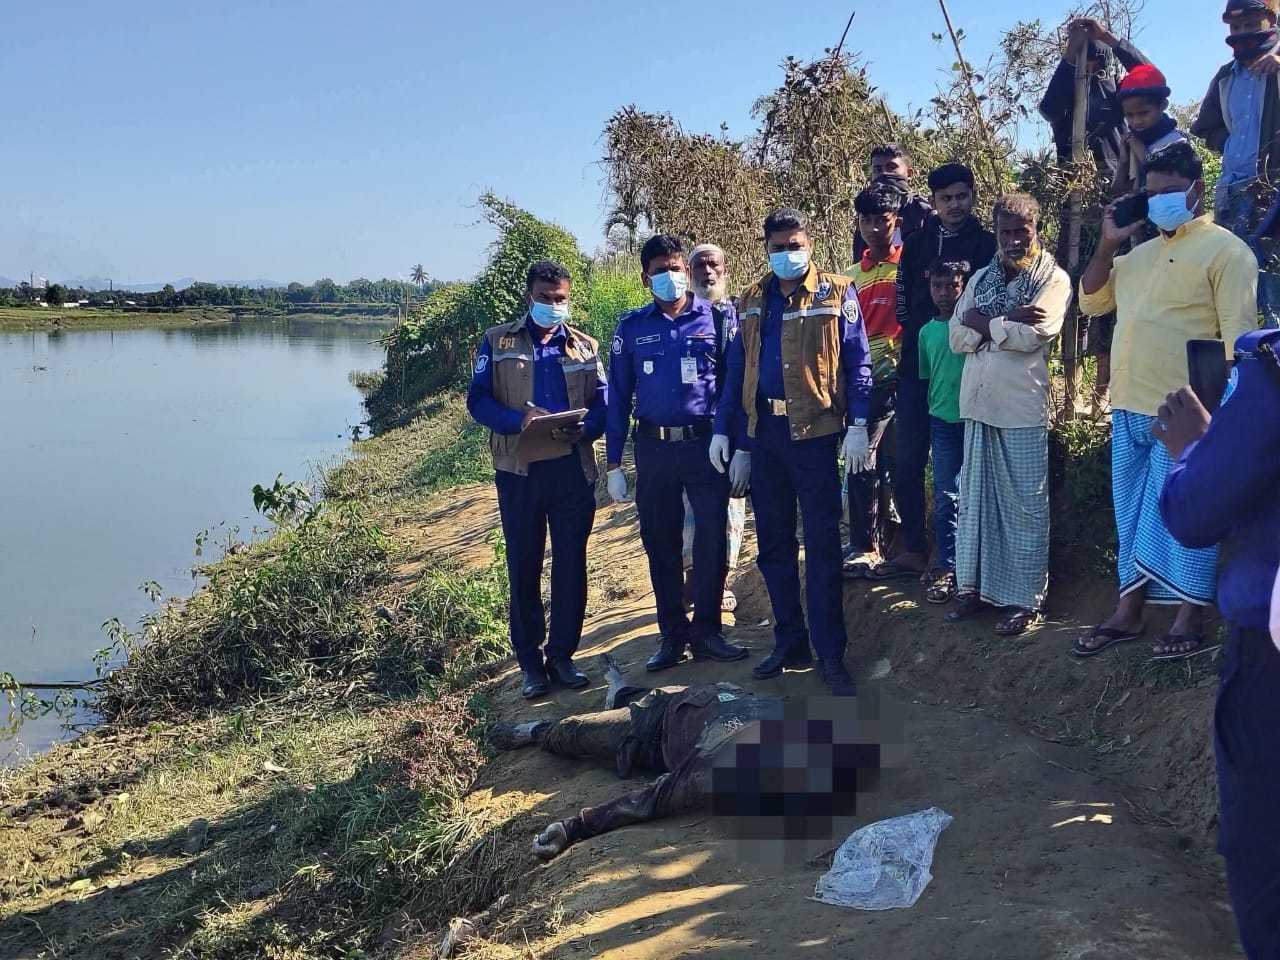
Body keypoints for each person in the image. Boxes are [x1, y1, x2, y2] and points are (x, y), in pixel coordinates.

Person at [1075, 142, 1259, 659]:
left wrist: (1219, 419)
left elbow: (1239, 345)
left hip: (1185, 411)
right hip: (1127, 405)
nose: (1160, 203)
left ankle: (1188, 617)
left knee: (1185, 510)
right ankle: (1128, 612)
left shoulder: (1227, 252)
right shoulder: (1135, 256)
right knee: (1131, 514)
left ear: (1198, 189)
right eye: (1151, 194)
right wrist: (1107, 245)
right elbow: (1091, 300)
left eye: (1171, 192)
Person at [1152, 330, 1280, 960]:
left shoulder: (1272, 371)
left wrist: (1193, 450)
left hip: (1271, 671)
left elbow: (1197, 510)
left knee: (1268, 869)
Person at [492, 656, 875, 862]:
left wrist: (574, 826)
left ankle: (538, 730)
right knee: (607, 714)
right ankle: (607, 696)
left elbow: (652, 799)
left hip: (652, 733)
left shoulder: (717, 770)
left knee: (577, 732)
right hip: (693, 696)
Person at [713, 207, 872, 696]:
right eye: (778, 247)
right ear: (766, 248)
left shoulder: (838, 293)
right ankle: (789, 641)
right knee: (774, 545)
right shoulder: (751, 299)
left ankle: (830, 652)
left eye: (795, 245)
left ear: (810, 244)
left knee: (822, 546)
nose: (787, 254)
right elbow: (737, 371)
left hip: (816, 435)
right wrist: (732, 437)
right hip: (765, 436)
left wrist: (858, 424)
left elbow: (859, 362)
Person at [606, 235, 749, 673]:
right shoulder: (631, 327)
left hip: (706, 446)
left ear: (685, 271)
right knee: (660, 541)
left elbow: (734, 386)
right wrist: (613, 463)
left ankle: (707, 632)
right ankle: (672, 636)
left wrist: (733, 440)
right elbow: (618, 397)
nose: (669, 276)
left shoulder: (719, 319)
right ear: (644, 277)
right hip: (653, 449)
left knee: (711, 538)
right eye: (659, 271)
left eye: (674, 267)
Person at [466, 261, 608, 699]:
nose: (553, 305)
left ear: (569, 297)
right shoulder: (498, 341)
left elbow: (605, 404)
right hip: (520, 471)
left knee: (571, 563)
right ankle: (530, 664)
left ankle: (562, 656)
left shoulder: (585, 346)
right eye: (545, 298)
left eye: (560, 298)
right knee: (524, 564)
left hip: (572, 468)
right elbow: (478, 400)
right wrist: (518, 421)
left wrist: (585, 429)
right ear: (529, 296)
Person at [946, 194, 1071, 636]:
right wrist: (1004, 320)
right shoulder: (982, 277)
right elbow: (955, 336)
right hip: (978, 404)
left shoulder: (1052, 279)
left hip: (1020, 407)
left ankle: (1024, 601)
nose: (1014, 239)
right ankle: (974, 591)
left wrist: (984, 323)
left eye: (1022, 231)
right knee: (976, 502)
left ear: (1037, 230)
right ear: (996, 233)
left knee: (1024, 508)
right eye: (1006, 232)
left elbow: (1035, 333)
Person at [881, 164, 997, 581]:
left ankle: (964, 559)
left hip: (969, 372)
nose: (955, 205)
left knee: (964, 472)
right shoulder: (917, 244)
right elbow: (902, 301)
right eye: (946, 198)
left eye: (962, 196)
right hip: (917, 371)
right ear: (933, 201)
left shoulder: (987, 244)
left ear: (973, 197)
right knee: (907, 463)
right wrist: (922, 335)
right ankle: (916, 548)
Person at [1192, 0, 1280, 329]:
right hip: (1232, 195)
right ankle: (1238, 359)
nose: (1242, 33)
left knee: (1272, 291)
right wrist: (1230, 145)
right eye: (1235, 27)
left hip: (1273, 195)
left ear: (1271, 20)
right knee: (1232, 291)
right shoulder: (1226, 76)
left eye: (1252, 24)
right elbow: (1205, 127)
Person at [681, 243, 747, 614]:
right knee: (688, 508)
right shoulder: (680, 315)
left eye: (714, 265)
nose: (707, 272)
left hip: (733, 426)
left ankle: (720, 581)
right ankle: (692, 579)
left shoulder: (740, 313)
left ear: (725, 270)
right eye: (700, 265)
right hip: (693, 428)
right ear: (688, 272)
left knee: (730, 506)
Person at [843, 182, 904, 576]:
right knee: (861, 462)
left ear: (896, 221)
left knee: (902, 465)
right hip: (868, 385)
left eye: (882, 219)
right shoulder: (849, 278)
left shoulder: (911, 266)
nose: (874, 228)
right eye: (866, 220)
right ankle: (864, 544)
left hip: (909, 380)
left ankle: (899, 544)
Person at [915, 259, 972, 604]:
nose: (945, 293)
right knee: (947, 494)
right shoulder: (926, 332)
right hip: (941, 420)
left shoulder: (973, 327)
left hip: (975, 420)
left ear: (964, 287)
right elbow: (929, 378)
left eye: (952, 285)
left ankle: (974, 568)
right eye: (938, 286)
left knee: (976, 494)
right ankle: (947, 566)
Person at [1038, 16, 1153, 181]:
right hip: (1074, 185)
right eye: (1084, 68)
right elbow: (1050, 110)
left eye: (1098, 68)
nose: (1091, 73)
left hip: (1120, 183)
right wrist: (1071, 52)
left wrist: (1106, 37)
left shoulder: (1119, 91)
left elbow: (1151, 78)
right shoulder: (1064, 93)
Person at [1111, 64, 1191, 198]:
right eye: (1129, 115)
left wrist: (1142, 154)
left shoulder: (1177, 142)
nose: (1136, 121)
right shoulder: (1130, 142)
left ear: (1163, 105)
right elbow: (1115, 193)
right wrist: (1123, 162)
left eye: (1144, 113)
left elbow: (1169, 187)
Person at [852, 144, 933, 262]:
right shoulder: (867, 212)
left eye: (891, 168)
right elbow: (860, 260)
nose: (884, 174)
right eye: (878, 170)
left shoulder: (923, 212)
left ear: (909, 174)